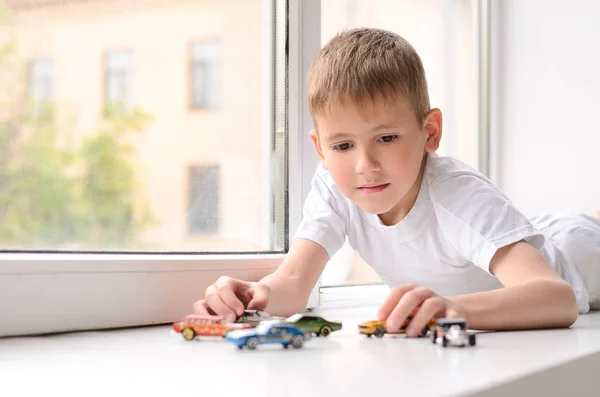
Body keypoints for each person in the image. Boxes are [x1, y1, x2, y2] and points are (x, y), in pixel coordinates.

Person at [193, 28, 600, 335]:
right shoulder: (335, 187)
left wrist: (453, 309)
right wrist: (254, 296)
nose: (364, 164)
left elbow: (557, 297)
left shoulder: (457, 195)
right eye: (343, 145)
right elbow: (294, 283)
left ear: (430, 132)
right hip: (528, 234)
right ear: (320, 148)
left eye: (386, 138)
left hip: (578, 255)